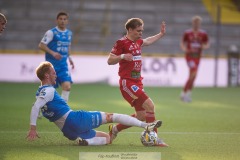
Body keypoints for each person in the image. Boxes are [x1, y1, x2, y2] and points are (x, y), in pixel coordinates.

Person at [26, 61, 162, 146]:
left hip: (67, 131)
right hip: (75, 119)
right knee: (111, 116)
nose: (56, 75)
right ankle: (145, 125)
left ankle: (87, 141)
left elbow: (38, 106)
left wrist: (39, 116)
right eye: (54, 73)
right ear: (47, 76)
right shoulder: (49, 91)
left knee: (108, 139)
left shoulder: (40, 92)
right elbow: (35, 107)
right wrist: (33, 128)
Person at [107, 18, 168, 147]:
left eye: (142, 30)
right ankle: (155, 139)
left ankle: (115, 130)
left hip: (137, 82)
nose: (141, 33)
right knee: (150, 106)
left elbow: (147, 41)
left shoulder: (138, 42)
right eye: (138, 31)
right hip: (127, 83)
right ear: (130, 29)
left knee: (141, 116)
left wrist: (161, 34)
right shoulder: (121, 42)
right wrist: (122, 56)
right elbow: (110, 60)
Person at [39, 11, 74, 102]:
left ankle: (62, 109)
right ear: (57, 20)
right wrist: (53, 53)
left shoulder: (69, 33)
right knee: (48, 92)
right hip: (51, 67)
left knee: (67, 87)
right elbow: (41, 45)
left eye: (64, 19)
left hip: (63, 66)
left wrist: (70, 58)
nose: (62, 21)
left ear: (67, 21)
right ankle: (38, 106)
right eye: (60, 19)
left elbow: (68, 46)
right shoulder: (51, 33)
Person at [180, 15, 210, 102]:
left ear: (200, 24)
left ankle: (185, 93)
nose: (196, 24)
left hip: (198, 57)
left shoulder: (203, 34)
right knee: (193, 73)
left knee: (193, 76)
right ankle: (185, 94)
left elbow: (207, 43)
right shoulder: (187, 33)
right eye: (195, 23)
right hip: (189, 56)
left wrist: (204, 46)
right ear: (193, 23)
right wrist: (184, 49)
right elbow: (182, 42)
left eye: (198, 23)